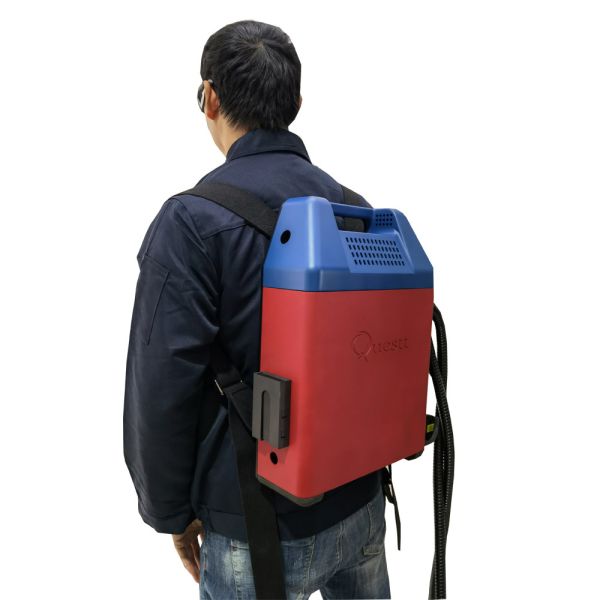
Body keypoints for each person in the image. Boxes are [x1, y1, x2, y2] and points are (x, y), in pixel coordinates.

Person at [123, 19, 391, 599]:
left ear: (209, 97)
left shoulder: (191, 224)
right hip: (363, 504)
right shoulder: (355, 211)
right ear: (296, 104)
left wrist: (171, 514)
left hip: (253, 525)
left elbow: (160, 388)